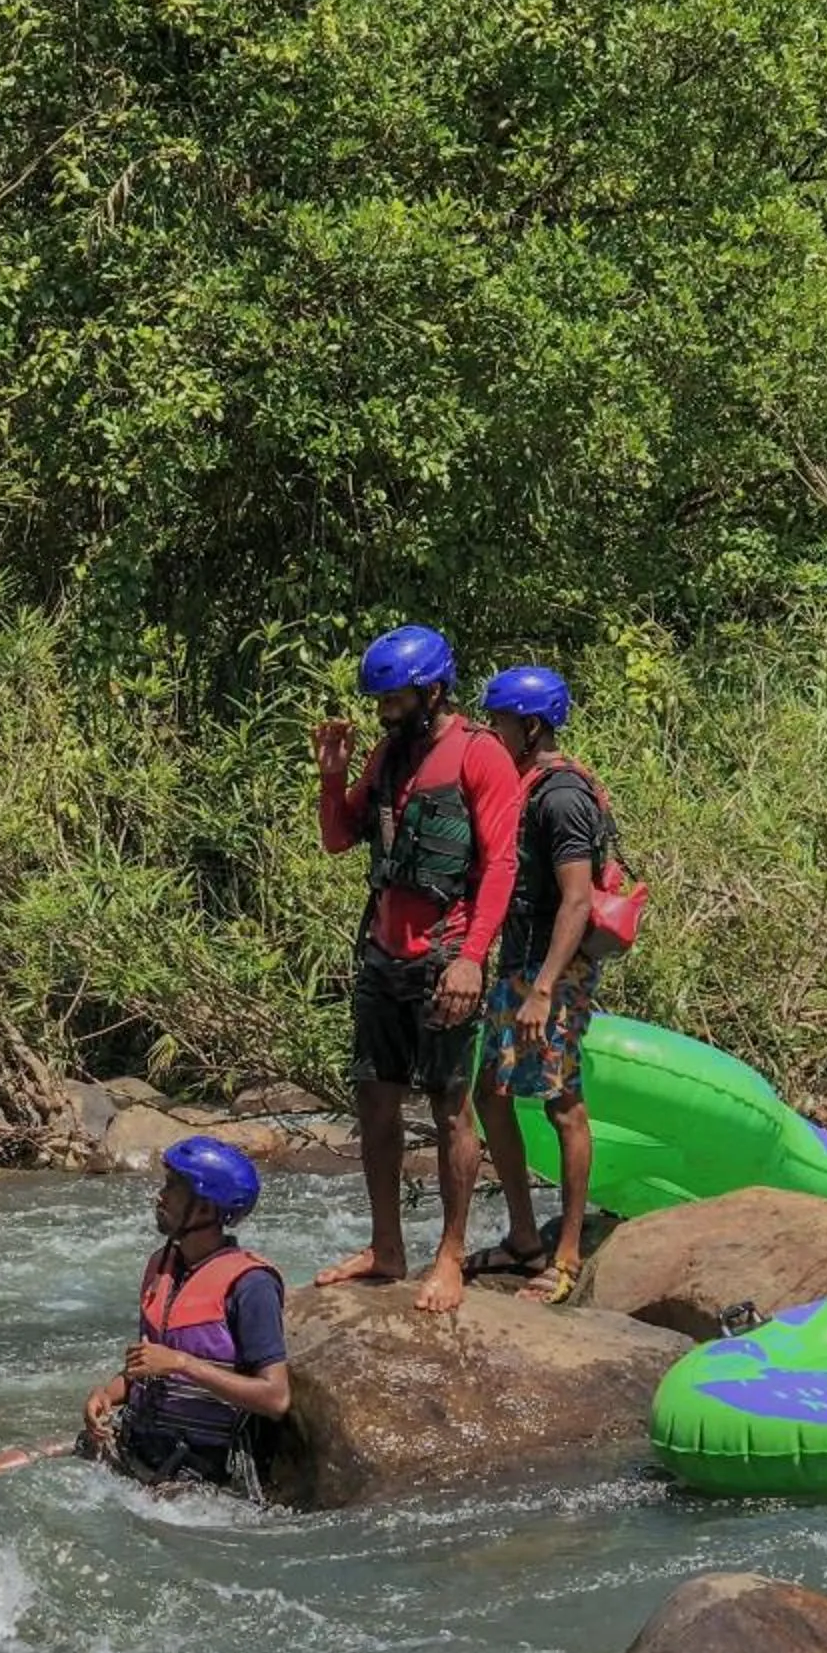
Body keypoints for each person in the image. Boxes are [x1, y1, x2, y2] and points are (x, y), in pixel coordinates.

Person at [312, 622, 522, 1314]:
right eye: (380, 702)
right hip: (383, 955)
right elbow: (340, 839)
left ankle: (451, 1255)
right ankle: (386, 1247)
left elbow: (499, 866)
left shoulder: (479, 756)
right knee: (375, 1099)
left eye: (394, 699)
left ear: (432, 691)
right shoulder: (388, 756)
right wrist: (334, 772)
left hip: (445, 956)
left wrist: (470, 958)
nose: (384, 712)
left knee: (451, 1109)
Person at [466, 664, 617, 1305]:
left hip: (549, 972)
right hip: (523, 964)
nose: (493, 731)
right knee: (490, 1094)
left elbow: (577, 900)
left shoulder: (560, 797)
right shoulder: (535, 783)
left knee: (562, 1104)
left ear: (531, 726)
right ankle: (524, 1237)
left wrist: (544, 988)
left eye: (499, 721)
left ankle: (565, 1258)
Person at [81, 1136, 292, 1496]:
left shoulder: (251, 1286)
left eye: (173, 1187)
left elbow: (276, 1398)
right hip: (136, 1446)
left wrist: (182, 1363)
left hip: (199, 1473)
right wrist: (105, 1394)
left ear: (207, 1209)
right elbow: (143, 1370)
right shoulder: (161, 1266)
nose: (160, 1196)